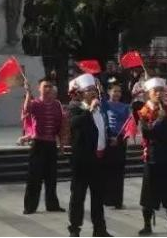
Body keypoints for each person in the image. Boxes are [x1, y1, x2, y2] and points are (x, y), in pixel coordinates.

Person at [137, 77, 167, 235]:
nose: (158, 94)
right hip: (153, 158)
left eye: (161, 90)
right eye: (155, 91)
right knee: (149, 193)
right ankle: (147, 225)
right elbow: (147, 133)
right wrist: (159, 119)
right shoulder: (144, 111)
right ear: (149, 93)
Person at [66, 73, 112, 238]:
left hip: (99, 160)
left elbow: (102, 130)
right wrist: (89, 110)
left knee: (98, 196)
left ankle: (99, 229)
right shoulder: (76, 108)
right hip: (82, 161)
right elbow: (73, 124)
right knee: (78, 196)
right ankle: (74, 229)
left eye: (94, 89)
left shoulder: (100, 109)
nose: (93, 93)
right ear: (81, 93)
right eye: (89, 90)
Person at [23, 78, 66, 214]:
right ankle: (30, 206)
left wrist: (62, 143)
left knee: (51, 177)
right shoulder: (35, 103)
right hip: (38, 144)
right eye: (45, 86)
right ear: (39, 89)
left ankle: (52, 205)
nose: (48, 89)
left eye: (50, 86)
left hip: (51, 144)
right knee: (34, 177)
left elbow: (61, 124)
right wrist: (28, 93)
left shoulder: (57, 104)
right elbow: (26, 110)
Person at [102, 82, 132, 210]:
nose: (117, 94)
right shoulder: (104, 105)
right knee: (107, 170)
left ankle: (118, 200)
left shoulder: (125, 107)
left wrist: (120, 138)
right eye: (114, 91)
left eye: (119, 91)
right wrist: (109, 137)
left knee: (119, 171)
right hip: (107, 139)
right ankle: (106, 199)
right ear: (109, 92)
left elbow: (128, 124)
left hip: (120, 139)